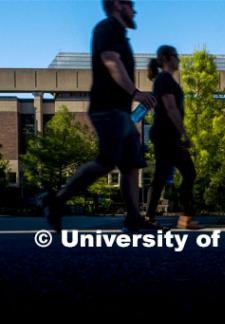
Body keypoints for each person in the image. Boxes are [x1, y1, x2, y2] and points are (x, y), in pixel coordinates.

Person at [43, 0, 157, 233]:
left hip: (121, 113)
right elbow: (110, 60)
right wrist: (135, 93)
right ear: (117, 4)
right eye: (130, 4)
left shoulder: (119, 33)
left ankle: (134, 219)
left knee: (131, 165)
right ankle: (57, 201)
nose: (135, 10)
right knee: (105, 163)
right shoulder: (108, 27)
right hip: (107, 109)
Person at [145, 45, 199, 229]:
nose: (179, 59)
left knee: (181, 173)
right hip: (165, 134)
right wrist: (184, 133)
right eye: (177, 56)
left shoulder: (167, 80)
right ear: (167, 58)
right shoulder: (164, 79)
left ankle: (183, 217)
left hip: (169, 135)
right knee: (174, 174)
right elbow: (170, 108)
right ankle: (160, 218)